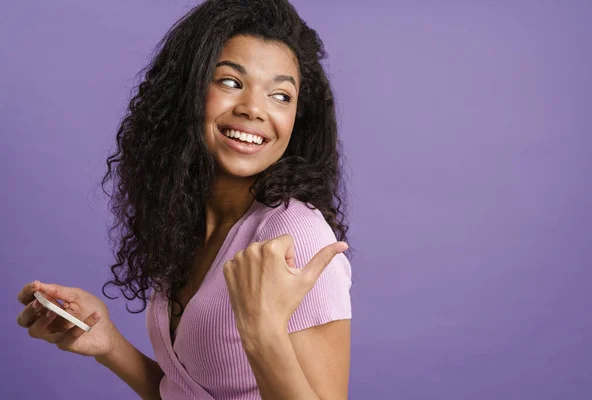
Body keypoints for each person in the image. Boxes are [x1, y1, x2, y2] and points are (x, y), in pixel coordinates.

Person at [16, 0, 352, 398]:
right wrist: (108, 344)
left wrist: (262, 332)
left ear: (299, 118)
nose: (254, 110)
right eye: (230, 82)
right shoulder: (186, 220)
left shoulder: (296, 237)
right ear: (186, 92)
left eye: (281, 95)